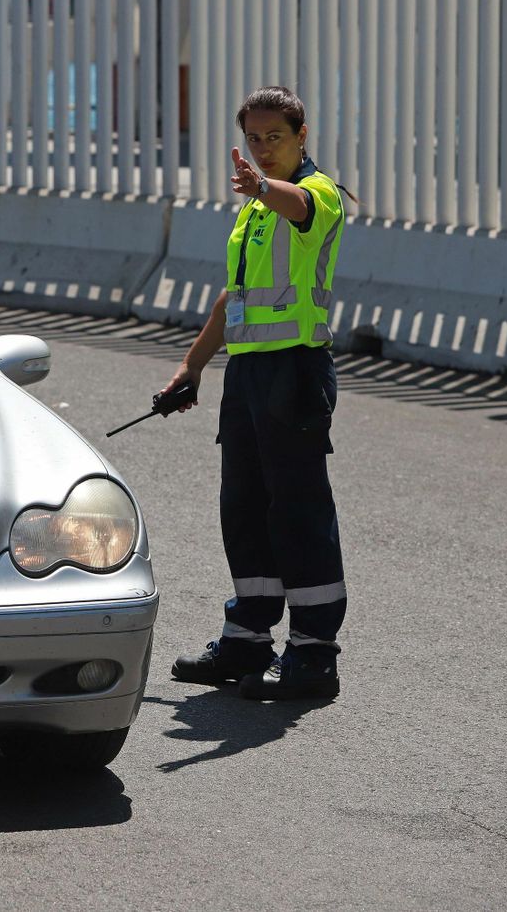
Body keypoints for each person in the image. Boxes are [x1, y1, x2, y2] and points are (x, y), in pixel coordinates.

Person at [164, 85, 351, 701]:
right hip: (247, 378)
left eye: (276, 137)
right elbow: (234, 297)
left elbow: (298, 203)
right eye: (254, 138)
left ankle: (313, 655)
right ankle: (247, 639)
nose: (264, 149)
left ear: (302, 136)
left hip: (294, 372)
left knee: (298, 513)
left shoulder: (313, 195)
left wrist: (264, 187)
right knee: (243, 508)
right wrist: (192, 367)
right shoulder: (253, 211)